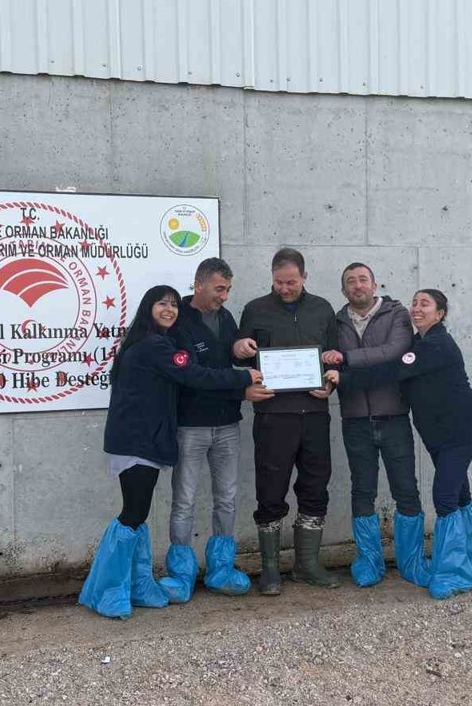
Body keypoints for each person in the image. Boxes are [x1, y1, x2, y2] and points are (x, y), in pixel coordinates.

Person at [78, 285, 261, 619]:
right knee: (132, 515)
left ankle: (137, 585)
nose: (170, 309)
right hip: (136, 441)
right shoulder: (156, 346)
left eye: (174, 304)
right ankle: (107, 591)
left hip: (141, 440)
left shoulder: (151, 343)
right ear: (148, 308)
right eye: (162, 303)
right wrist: (243, 378)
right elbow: (193, 374)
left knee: (137, 515)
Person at [324, 289, 472, 600]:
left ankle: (455, 573)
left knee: (444, 497)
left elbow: (392, 371)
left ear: (440, 314)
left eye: (425, 304)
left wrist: (344, 377)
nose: (417, 308)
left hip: (459, 431)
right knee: (459, 491)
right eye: (415, 303)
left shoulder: (436, 344)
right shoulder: (418, 343)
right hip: (437, 434)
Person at [158, 258, 275, 603]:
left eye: (228, 290)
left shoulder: (225, 318)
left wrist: (240, 349)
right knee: (184, 500)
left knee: (226, 498)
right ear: (199, 284)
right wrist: (241, 385)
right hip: (190, 426)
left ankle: (221, 568)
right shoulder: (178, 320)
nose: (224, 296)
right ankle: (181, 573)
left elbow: (227, 359)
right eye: (219, 289)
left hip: (227, 425)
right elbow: (192, 375)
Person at [232, 248, 339, 594]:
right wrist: (240, 348)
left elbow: (334, 358)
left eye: (291, 282)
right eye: (278, 282)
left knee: (315, 486)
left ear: (304, 277)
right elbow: (240, 356)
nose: (284, 288)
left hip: (315, 414)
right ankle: (270, 570)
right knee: (270, 489)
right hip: (273, 416)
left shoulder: (323, 308)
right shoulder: (255, 309)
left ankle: (307, 564)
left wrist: (331, 383)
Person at [320, 263, 423, 588]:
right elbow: (326, 361)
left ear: (375, 284)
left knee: (405, 488)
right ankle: (369, 561)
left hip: (394, 416)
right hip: (354, 419)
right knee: (362, 490)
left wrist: (346, 360)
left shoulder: (396, 314)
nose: (358, 285)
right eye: (350, 281)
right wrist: (326, 383)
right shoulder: (335, 322)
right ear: (344, 290)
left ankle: (411, 561)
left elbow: (394, 352)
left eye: (363, 279)